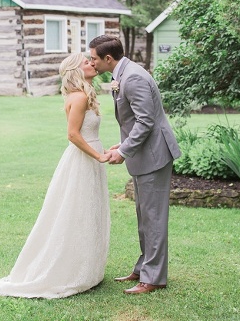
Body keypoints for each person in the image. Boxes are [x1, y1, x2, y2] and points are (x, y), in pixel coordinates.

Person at [0, 53, 110, 299]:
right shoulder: (79, 96)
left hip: (91, 157)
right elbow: (73, 135)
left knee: (88, 211)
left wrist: (105, 150)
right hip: (83, 161)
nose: (92, 64)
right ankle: (70, 269)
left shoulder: (83, 95)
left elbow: (87, 134)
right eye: (86, 62)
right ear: (76, 70)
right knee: (77, 212)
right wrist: (98, 156)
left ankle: (86, 266)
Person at [88, 35, 181, 295]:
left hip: (154, 155)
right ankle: (143, 268)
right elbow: (135, 122)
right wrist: (123, 145)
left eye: (93, 58)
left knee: (153, 218)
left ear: (108, 59)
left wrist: (125, 151)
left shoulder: (134, 77)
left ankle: (154, 278)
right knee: (144, 217)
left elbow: (145, 122)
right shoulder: (124, 73)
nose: (91, 62)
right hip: (144, 155)